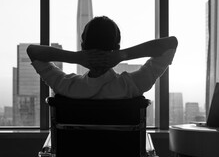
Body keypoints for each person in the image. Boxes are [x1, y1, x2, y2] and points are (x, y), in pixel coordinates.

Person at [27, 16, 178, 99]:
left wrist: (76, 57)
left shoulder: (66, 86)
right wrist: (123, 55)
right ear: (116, 48)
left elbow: (33, 51)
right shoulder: (132, 86)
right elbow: (170, 43)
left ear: (83, 47)